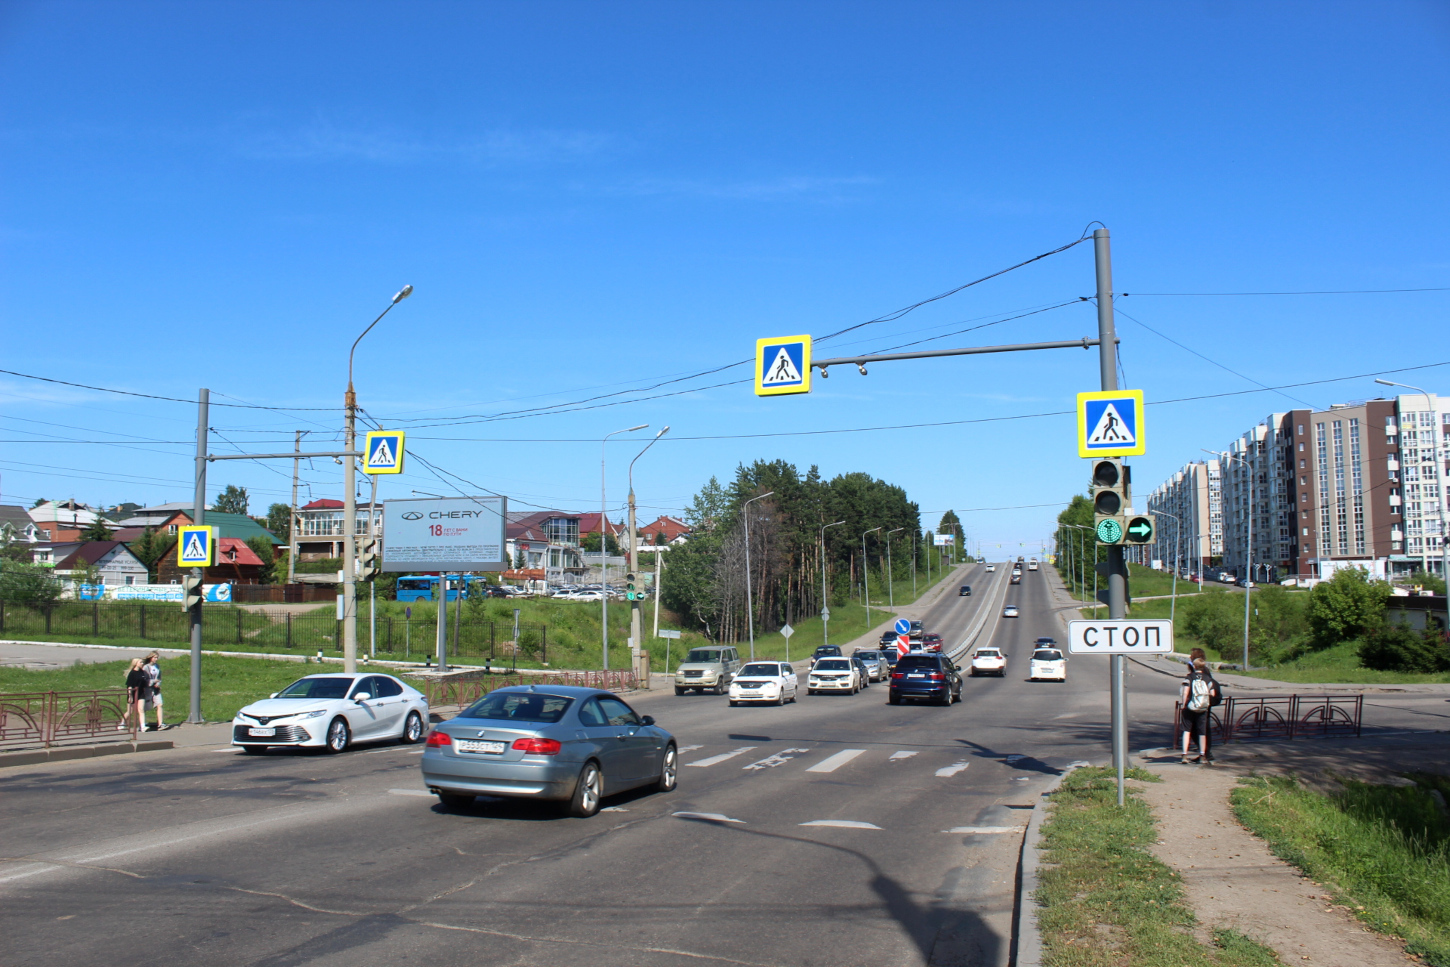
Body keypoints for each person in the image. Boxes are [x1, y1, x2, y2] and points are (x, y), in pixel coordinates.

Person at [1179, 657, 1219, 764]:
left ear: (1194, 666)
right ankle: (1202, 755)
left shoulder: (1189, 677)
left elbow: (1185, 692)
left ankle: (1184, 755)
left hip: (1190, 707)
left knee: (1187, 730)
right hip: (1202, 708)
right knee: (1202, 732)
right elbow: (1213, 694)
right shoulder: (1207, 679)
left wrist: (1184, 704)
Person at [122, 658, 149, 734]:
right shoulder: (132, 673)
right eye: (141, 662)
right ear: (136, 663)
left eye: (142, 662)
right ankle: (122, 723)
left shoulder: (142, 672)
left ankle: (143, 726)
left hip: (141, 693)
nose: (142, 663)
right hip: (133, 693)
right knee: (129, 711)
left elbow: (145, 683)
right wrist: (130, 696)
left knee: (141, 710)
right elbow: (129, 686)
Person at [143, 652, 166, 732]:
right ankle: (142, 723)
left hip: (156, 689)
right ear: (150, 658)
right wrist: (153, 681)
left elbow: (159, 677)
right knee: (145, 707)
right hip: (148, 689)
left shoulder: (157, 666)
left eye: (157, 658)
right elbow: (145, 679)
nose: (156, 659)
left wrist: (158, 683)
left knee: (160, 704)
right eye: (155, 657)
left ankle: (160, 724)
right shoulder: (146, 667)